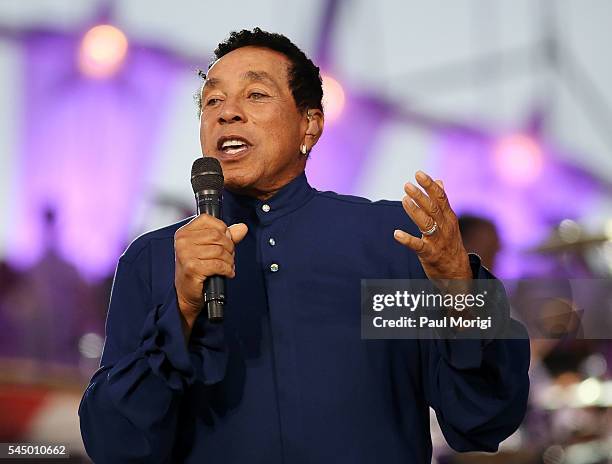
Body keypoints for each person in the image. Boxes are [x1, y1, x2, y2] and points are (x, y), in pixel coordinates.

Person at [79, 28, 530, 463]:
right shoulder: (156, 259)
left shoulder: (389, 243)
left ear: (309, 125)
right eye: (212, 100)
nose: (226, 112)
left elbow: (482, 419)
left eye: (255, 95)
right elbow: (116, 444)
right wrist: (181, 308)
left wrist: (458, 290)